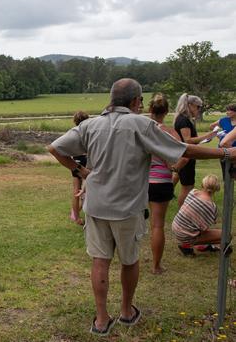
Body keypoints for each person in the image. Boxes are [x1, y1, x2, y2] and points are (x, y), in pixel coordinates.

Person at [48, 78, 236, 337]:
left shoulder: (90, 125)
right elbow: (183, 150)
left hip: (95, 206)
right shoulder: (141, 124)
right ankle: (126, 311)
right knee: (129, 261)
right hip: (127, 208)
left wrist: (82, 171)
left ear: (112, 98)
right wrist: (225, 154)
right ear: (136, 101)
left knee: (100, 261)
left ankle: (101, 320)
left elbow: (55, 148)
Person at [147, 94, 188, 274]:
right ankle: (156, 266)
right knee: (157, 225)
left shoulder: (142, 130)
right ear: (166, 111)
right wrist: (174, 169)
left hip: (140, 182)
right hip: (161, 180)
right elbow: (186, 155)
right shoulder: (170, 132)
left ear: (150, 110)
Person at [173, 93, 217, 208]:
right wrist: (206, 136)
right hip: (186, 156)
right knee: (187, 187)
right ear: (190, 105)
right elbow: (187, 140)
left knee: (189, 185)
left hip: (188, 156)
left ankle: (184, 211)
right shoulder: (183, 120)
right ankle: (182, 213)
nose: (199, 109)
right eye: (198, 107)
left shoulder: (186, 119)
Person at [172, 174, 222, 255]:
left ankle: (198, 245)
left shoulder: (193, 192)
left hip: (176, 228)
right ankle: (190, 245)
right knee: (225, 235)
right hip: (186, 235)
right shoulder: (212, 207)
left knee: (198, 228)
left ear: (203, 184)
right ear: (216, 189)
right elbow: (204, 229)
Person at [69, 111, 89, 225]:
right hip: (86, 160)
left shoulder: (73, 133)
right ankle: (88, 216)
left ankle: (76, 217)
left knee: (76, 191)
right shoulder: (89, 132)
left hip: (75, 161)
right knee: (88, 189)